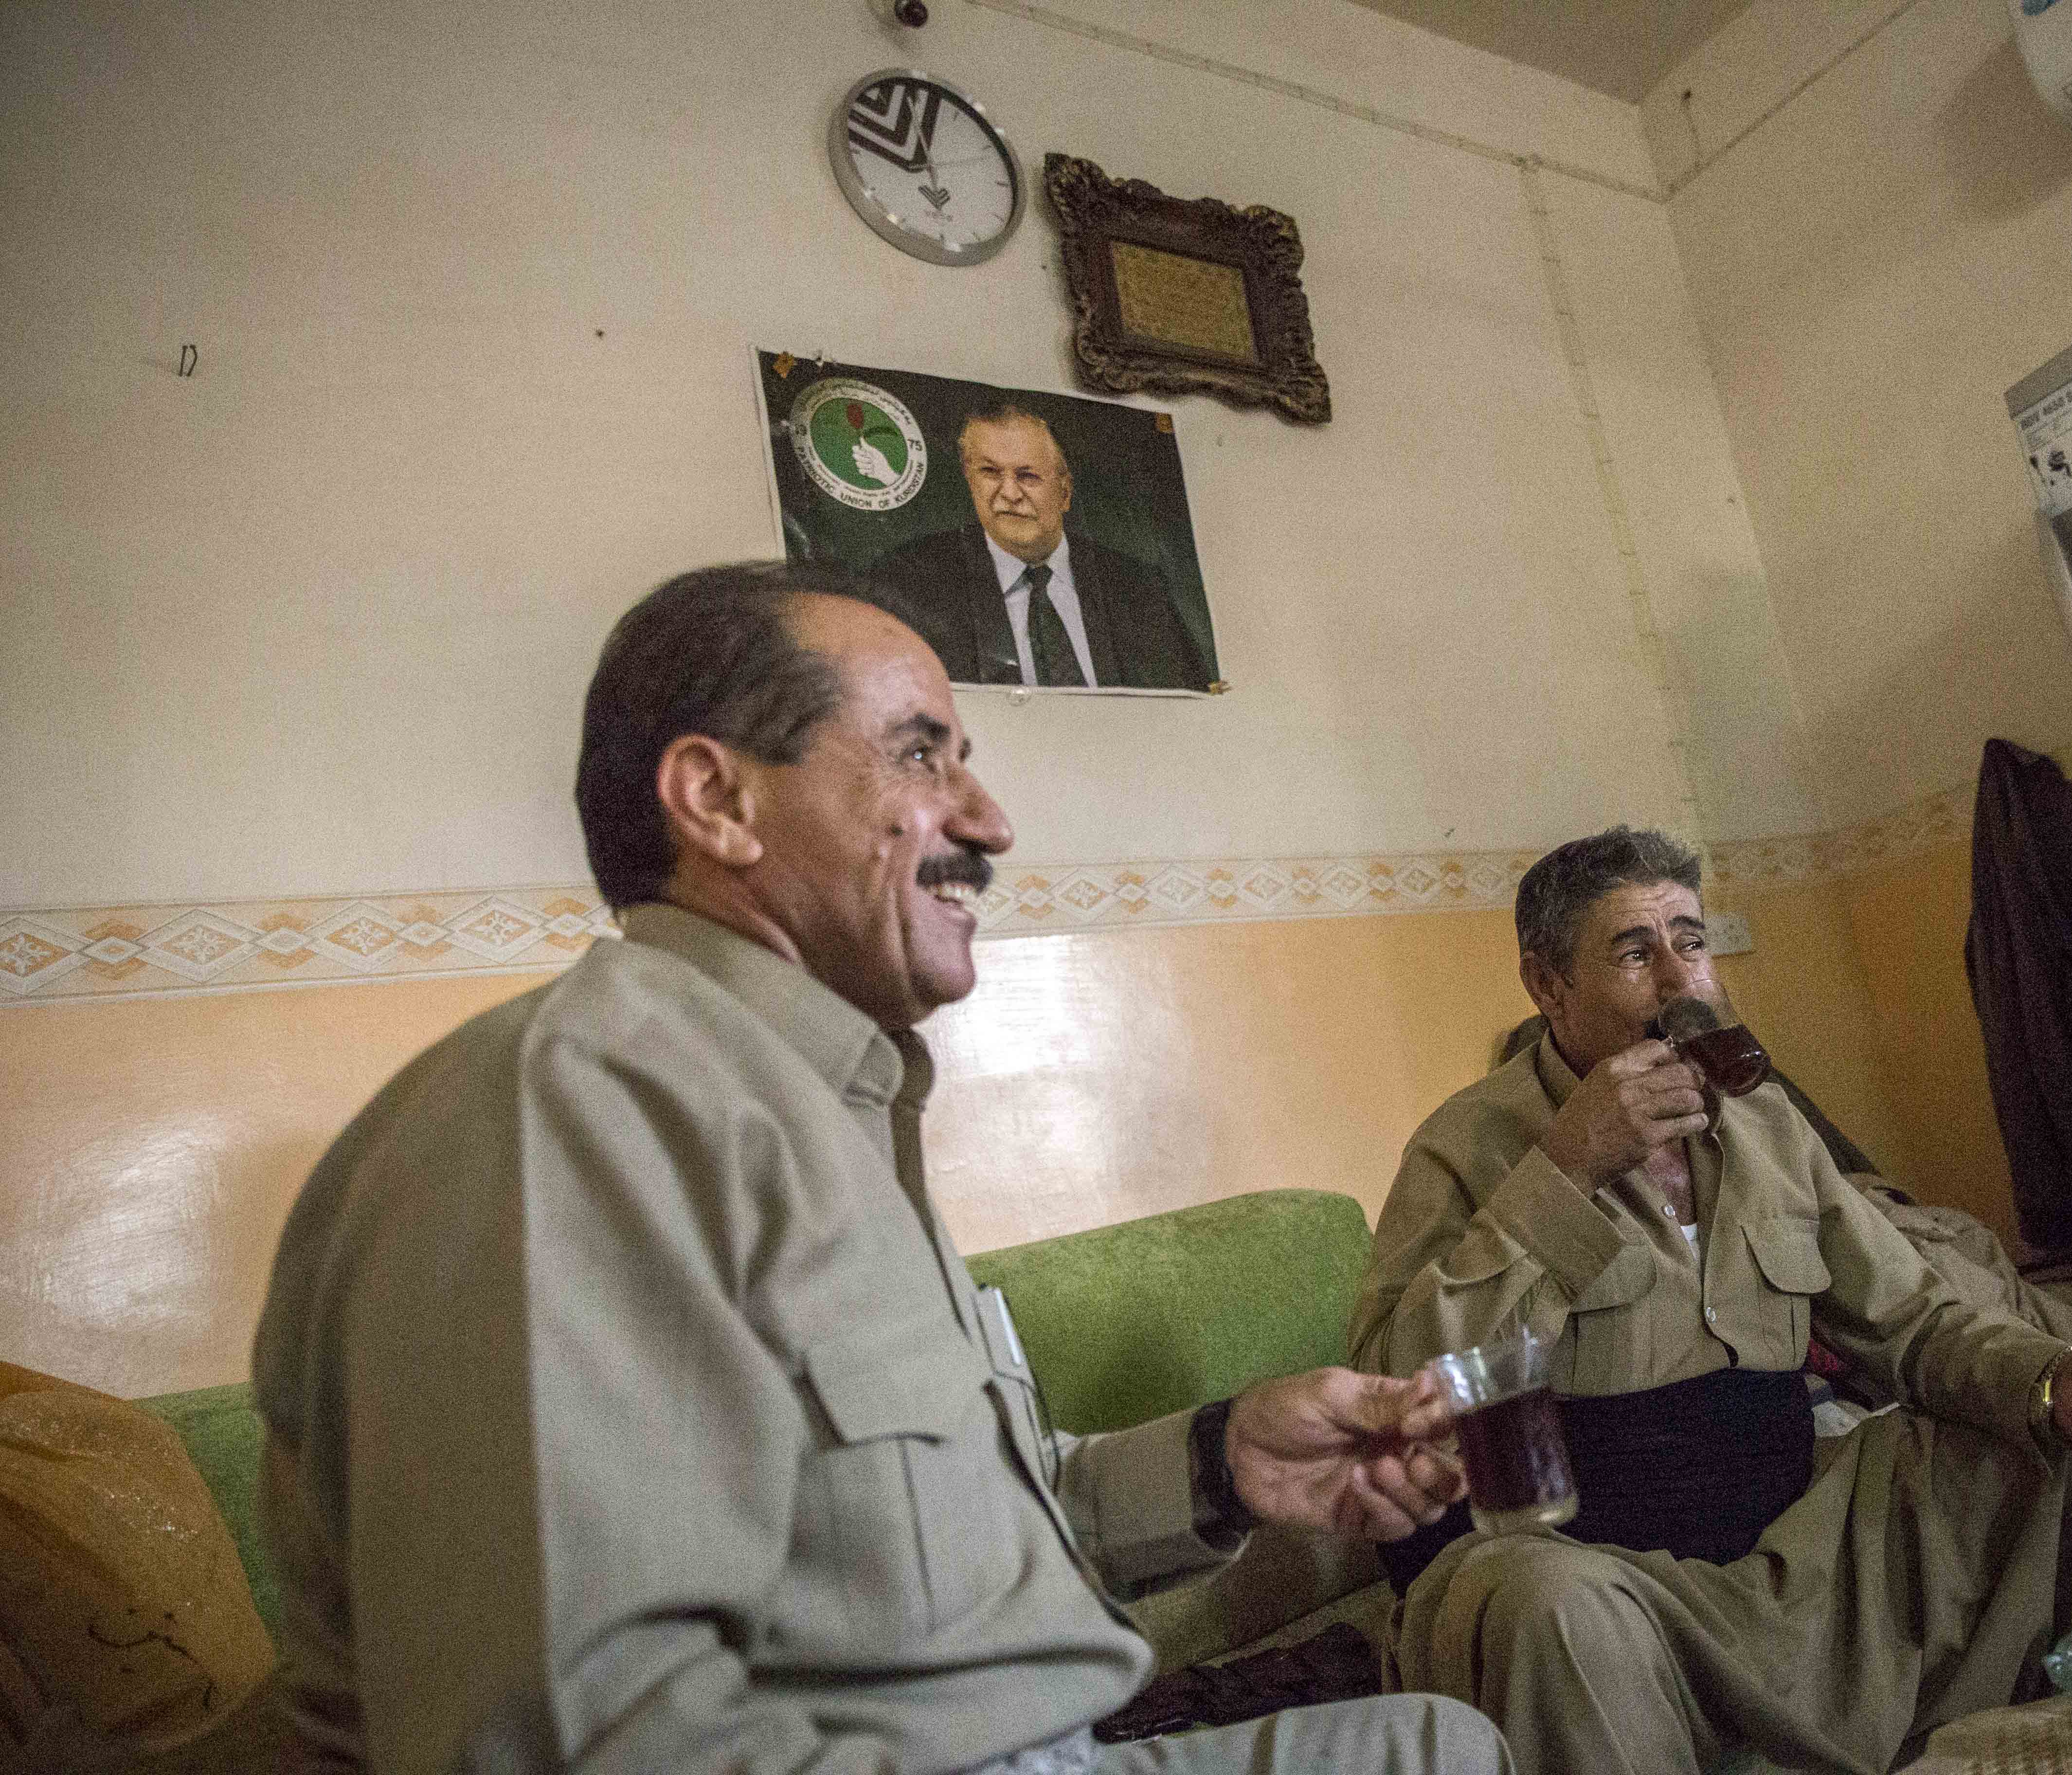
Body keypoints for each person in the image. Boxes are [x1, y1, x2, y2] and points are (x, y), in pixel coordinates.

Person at [250, 563, 1506, 1774]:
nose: (988, 820)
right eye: (921, 754)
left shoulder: (809, 1103)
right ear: (718, 801)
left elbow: (901, 1558)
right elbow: (572, 1741)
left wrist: (1221, 1462)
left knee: (1445, 1743)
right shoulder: (587, 1113)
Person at [1348, 827, 2072, 1775]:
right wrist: (1568, 1171)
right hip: (1600, 1575)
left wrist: (2049, 1383)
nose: (1681, 981)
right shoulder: (1467, 1144)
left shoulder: (1765, 1122)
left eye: (1693, 941)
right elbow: (1397, 1385)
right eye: (1636, 953)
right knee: (1552, 1608)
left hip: (1798, 1553)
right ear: (1548, 986)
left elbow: (1914, 1322)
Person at [866, 403, 1211, 691]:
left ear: (1065, 492)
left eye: (1028, 476)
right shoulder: (912, 582)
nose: (1010, 494)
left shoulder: (1140, 588)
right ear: (970, 481)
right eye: (989, 472)